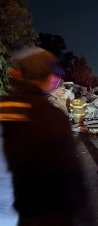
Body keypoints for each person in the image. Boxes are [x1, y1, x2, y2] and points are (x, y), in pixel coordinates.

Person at [0, 47, 88, 225]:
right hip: (40, 215)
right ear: (49, 77)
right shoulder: (51, 116)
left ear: (17, 74)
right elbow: (71, 177)